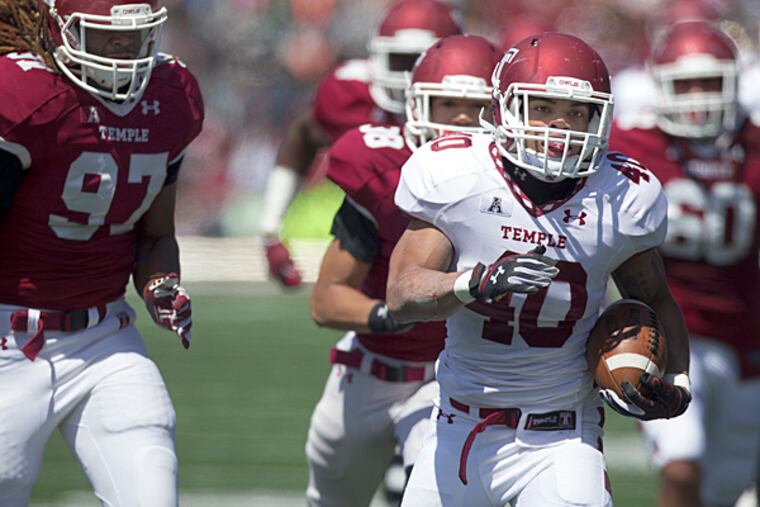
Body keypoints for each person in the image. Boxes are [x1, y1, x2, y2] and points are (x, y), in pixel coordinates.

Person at [386, 32, 692, 507]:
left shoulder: (621, 197)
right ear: (506, 109)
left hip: (561, 436)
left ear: (600, 117)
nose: (561, 127)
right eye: (543, 108)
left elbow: (653, 299)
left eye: (577, 112)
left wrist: (676, 382)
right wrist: (475, 282)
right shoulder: (460, 176)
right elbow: (403, 295)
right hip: (457, 428)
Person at [0, 1, 203, 505]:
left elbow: (155, 235)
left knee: (151, 488)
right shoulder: (25, 96)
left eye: (133, 35)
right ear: (59, 30)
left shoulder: (172, 95)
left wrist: (161, 286)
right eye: (104, 34)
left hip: (105, 338)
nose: (122, 48)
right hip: (8, 339)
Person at [306, 34, 502, 507]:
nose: (459, 119)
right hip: (371, 369)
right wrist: (393, 314)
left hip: (453, 380)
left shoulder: (521, 185)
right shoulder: (382, 167)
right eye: (447, 103)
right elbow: (327, 298)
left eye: (474, 107)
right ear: (414, 107)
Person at [610, 21, 760, 507]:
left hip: (745, 337)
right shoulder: (629, 145)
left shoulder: (754, 148)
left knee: (724, 487)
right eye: (685, 84)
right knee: (680, 467)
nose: (698, 96)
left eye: (710, 82)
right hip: (669, 329)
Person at [258, 0, 461, 287]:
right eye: (401, 61)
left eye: (421, 61)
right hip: (374, 253)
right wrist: (270, 230)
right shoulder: (349, 93)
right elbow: (302, 136)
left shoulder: (477, 101)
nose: (408, 76)